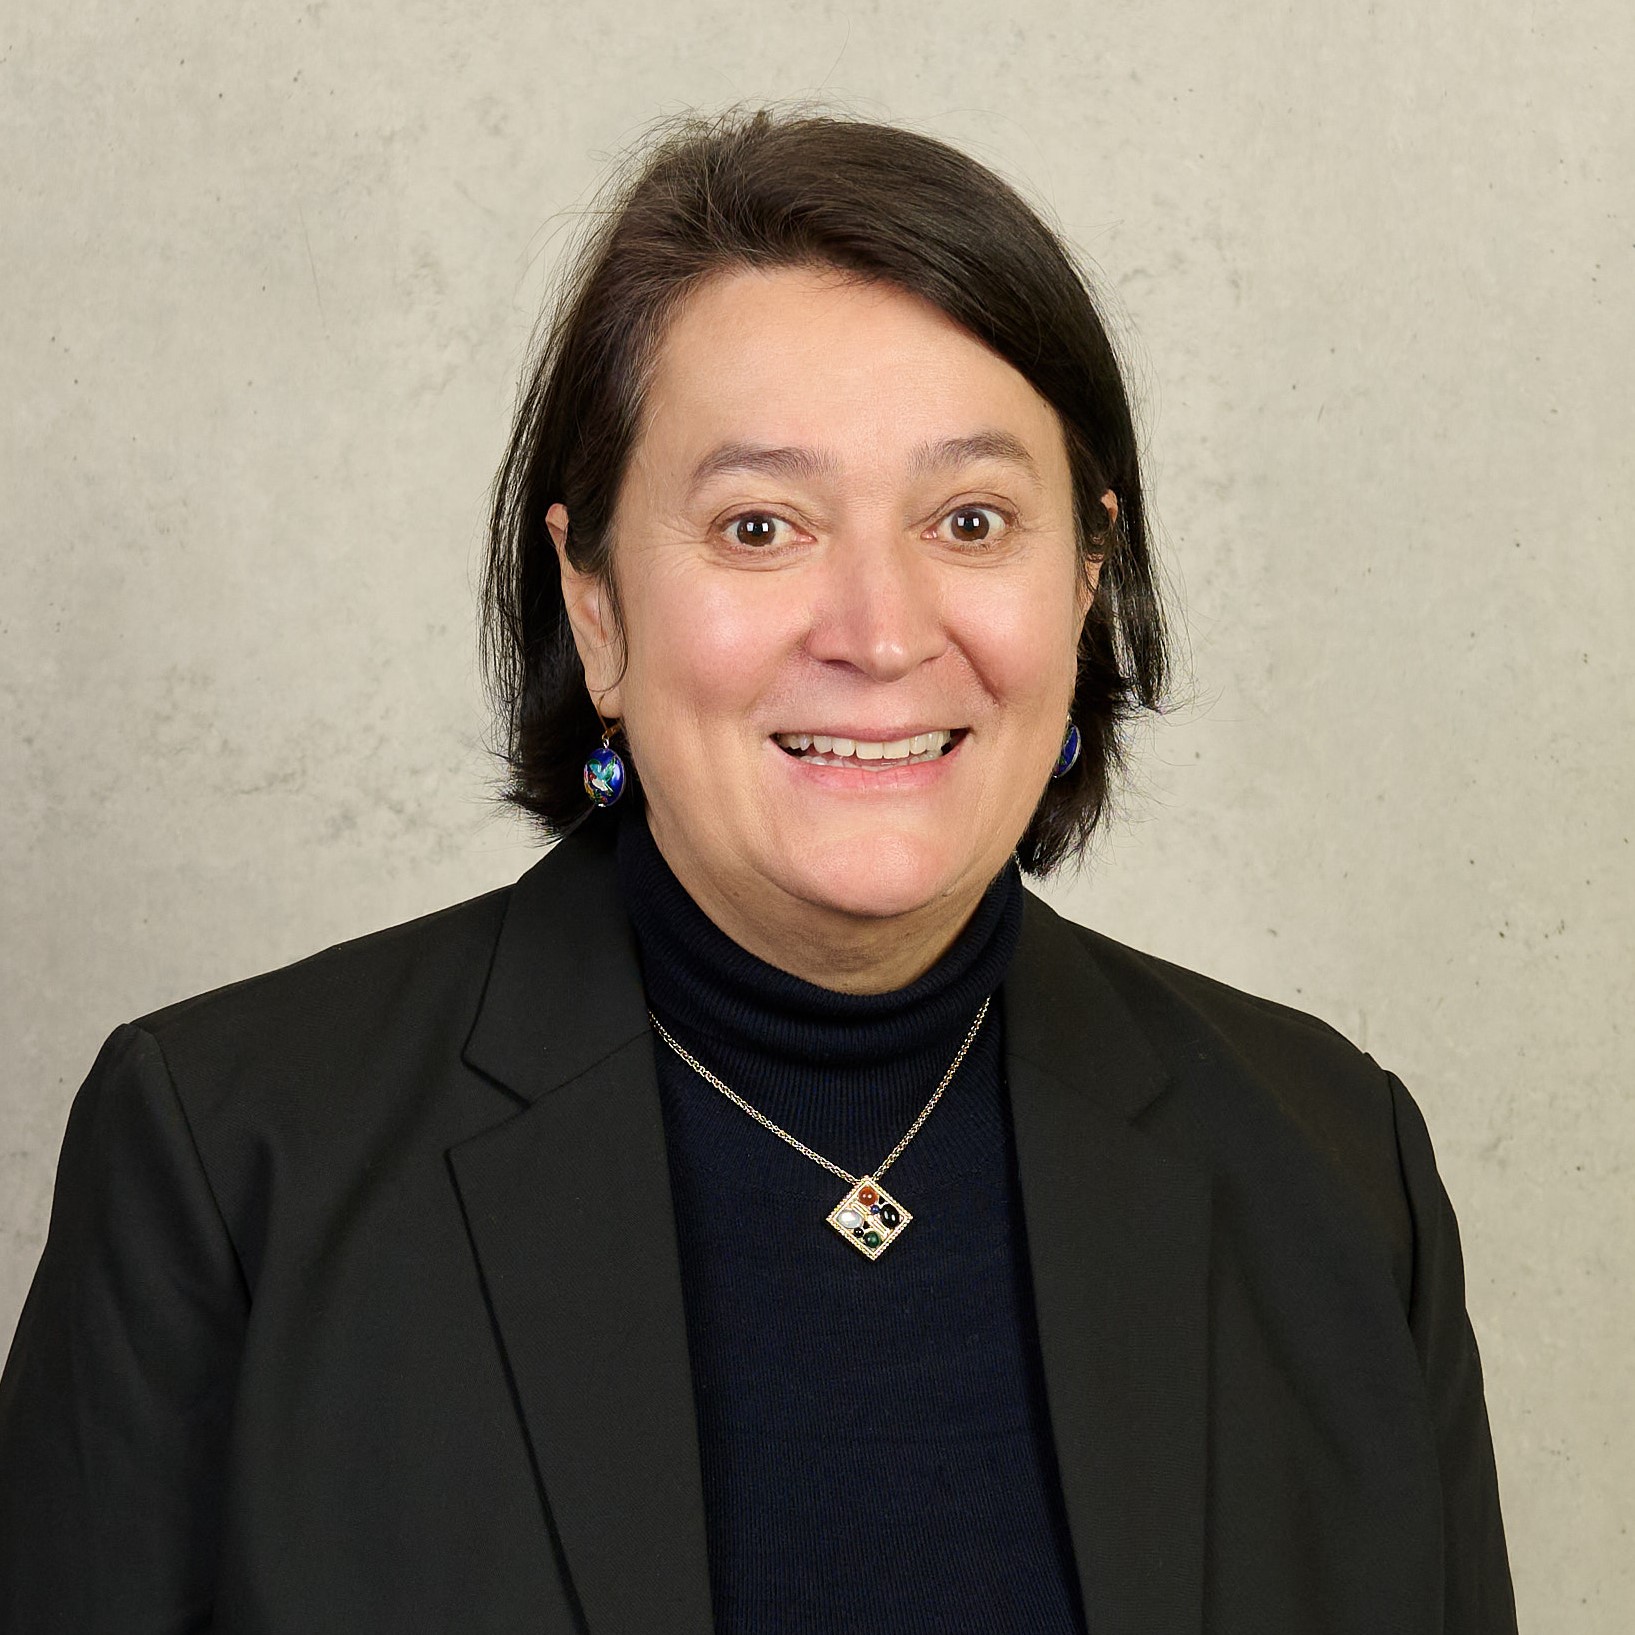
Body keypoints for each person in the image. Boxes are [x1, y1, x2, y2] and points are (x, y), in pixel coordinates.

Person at [0, 108, 1516, 1634]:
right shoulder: (229, 1168)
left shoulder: (1333, 1170)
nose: (877, 628)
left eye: (971, 520)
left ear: (1085, 583)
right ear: (595, 608)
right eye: (761, 525)